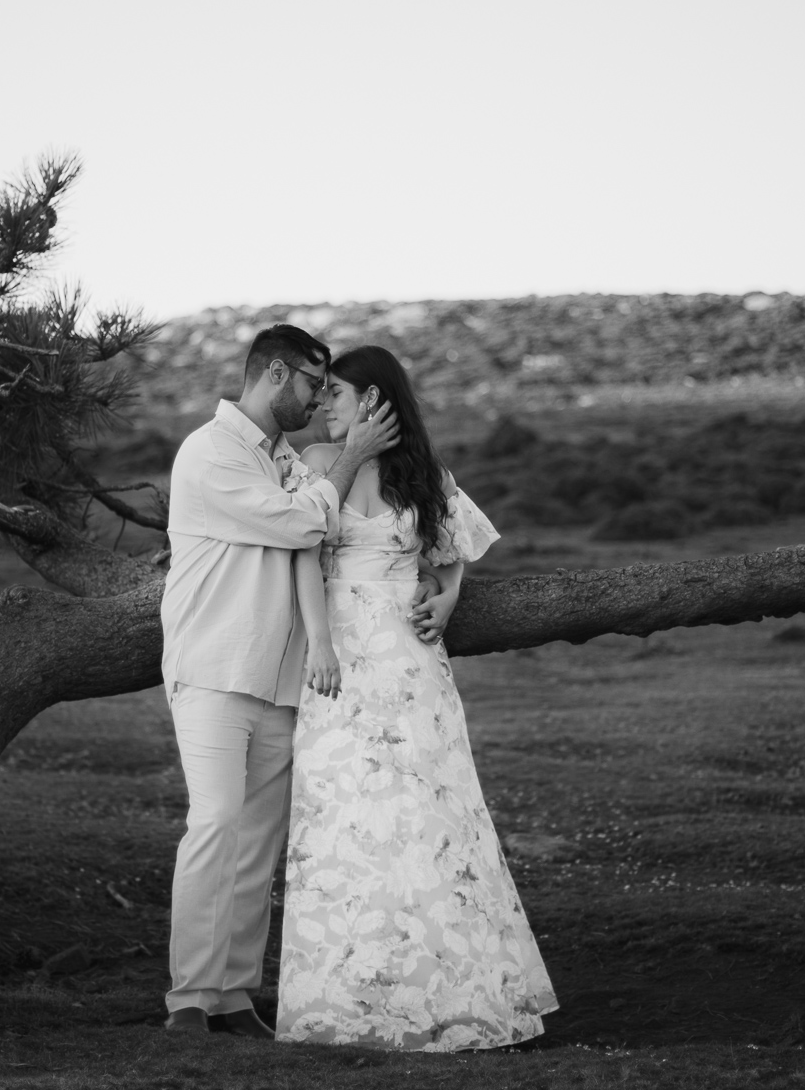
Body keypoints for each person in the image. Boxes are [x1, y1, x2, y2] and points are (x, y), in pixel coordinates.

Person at [275, 346, 557, 1052]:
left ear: (374, 400)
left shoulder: (421, 476)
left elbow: (451, 553)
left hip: (410, 664)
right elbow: (302, 559)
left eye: (336, 392)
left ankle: (449, 990)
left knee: (429, 813)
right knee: (344, 816)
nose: (323, 405)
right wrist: (319, 644)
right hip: (337, 659)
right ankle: (346, 999)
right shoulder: (311, 465)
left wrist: (452, 599)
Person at [160, 324, 401, 1036]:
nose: (317, 397)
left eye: (328, 387)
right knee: (212, 825)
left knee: (257, 843)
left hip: (280, 676)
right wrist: (353, 453)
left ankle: (233, 995)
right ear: (272, 374)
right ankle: (188, 1001)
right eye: (310, 383)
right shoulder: (210, 455)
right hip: (213, 667)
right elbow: (302, 525)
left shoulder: (286, 459)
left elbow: (319, 522)